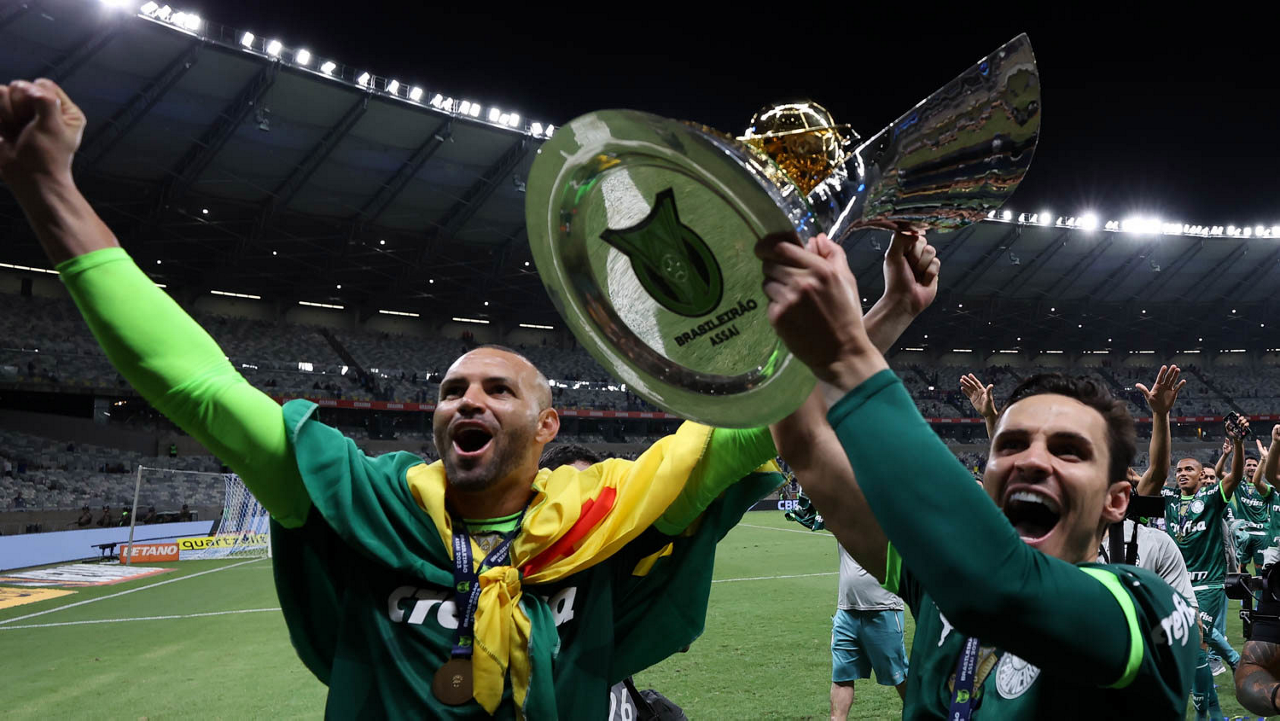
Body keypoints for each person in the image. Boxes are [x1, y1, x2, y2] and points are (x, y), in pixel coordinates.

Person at [0, 77, 885, 717]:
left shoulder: (610, 507)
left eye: (498, 388)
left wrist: (858, 315)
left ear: (548, 424)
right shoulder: (366, 500)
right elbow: (197, 386)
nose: (467, 400)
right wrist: (51, 190)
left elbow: (760, 415)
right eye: (453, 388)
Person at [759, 231, 1195, 718]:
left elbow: (1000, 585)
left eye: (1068, 451)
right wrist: (893, 310)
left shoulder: (1148, 607)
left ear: (1116, 500)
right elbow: (802, 433)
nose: (1031, 461)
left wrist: (848, 352)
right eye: (1010, 445)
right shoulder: (939, 581)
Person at [1137, 412, 1248, 719]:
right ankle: (1214, 709)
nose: (1183, 473)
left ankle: (1211, 707)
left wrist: (1238, 445)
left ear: (1202, 476)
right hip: (1176, 584)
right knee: (1192, 646)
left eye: (1189, 469)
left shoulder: (1212, 497)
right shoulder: (1169, 498)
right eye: (1179, 470)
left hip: (1208, 584)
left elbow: (1235, 477)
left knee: (1198, 640)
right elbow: (1146, 480)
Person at [830, 545, 908, 719]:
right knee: (842, 677)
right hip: (846, 611)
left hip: (884, 609)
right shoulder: (845, 526)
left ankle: (924, 714)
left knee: (900, 676)